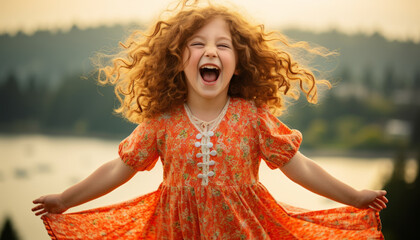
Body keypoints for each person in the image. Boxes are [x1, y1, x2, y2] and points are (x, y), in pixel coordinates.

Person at [32, 1, 388, 239]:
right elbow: (118, 168)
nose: (211, 52)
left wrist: (355, 196)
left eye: (224, 45)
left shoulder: (252, 118)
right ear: (176, 58)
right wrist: (66, 199)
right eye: (197, 44)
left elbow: (301, 167)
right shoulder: (162, 123)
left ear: (239, 62)